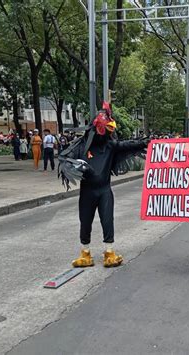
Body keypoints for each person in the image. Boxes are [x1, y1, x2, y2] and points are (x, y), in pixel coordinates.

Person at [58, 102, 149, 268]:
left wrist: (146, 143)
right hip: (87, 192)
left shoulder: (110, 146)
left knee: (107, 220)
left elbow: (127, 145)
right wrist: (76, 166)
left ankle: (109, 251)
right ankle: (85, 252)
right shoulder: (81, 146)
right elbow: (64, 157)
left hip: (104, 190)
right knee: (85, 221)